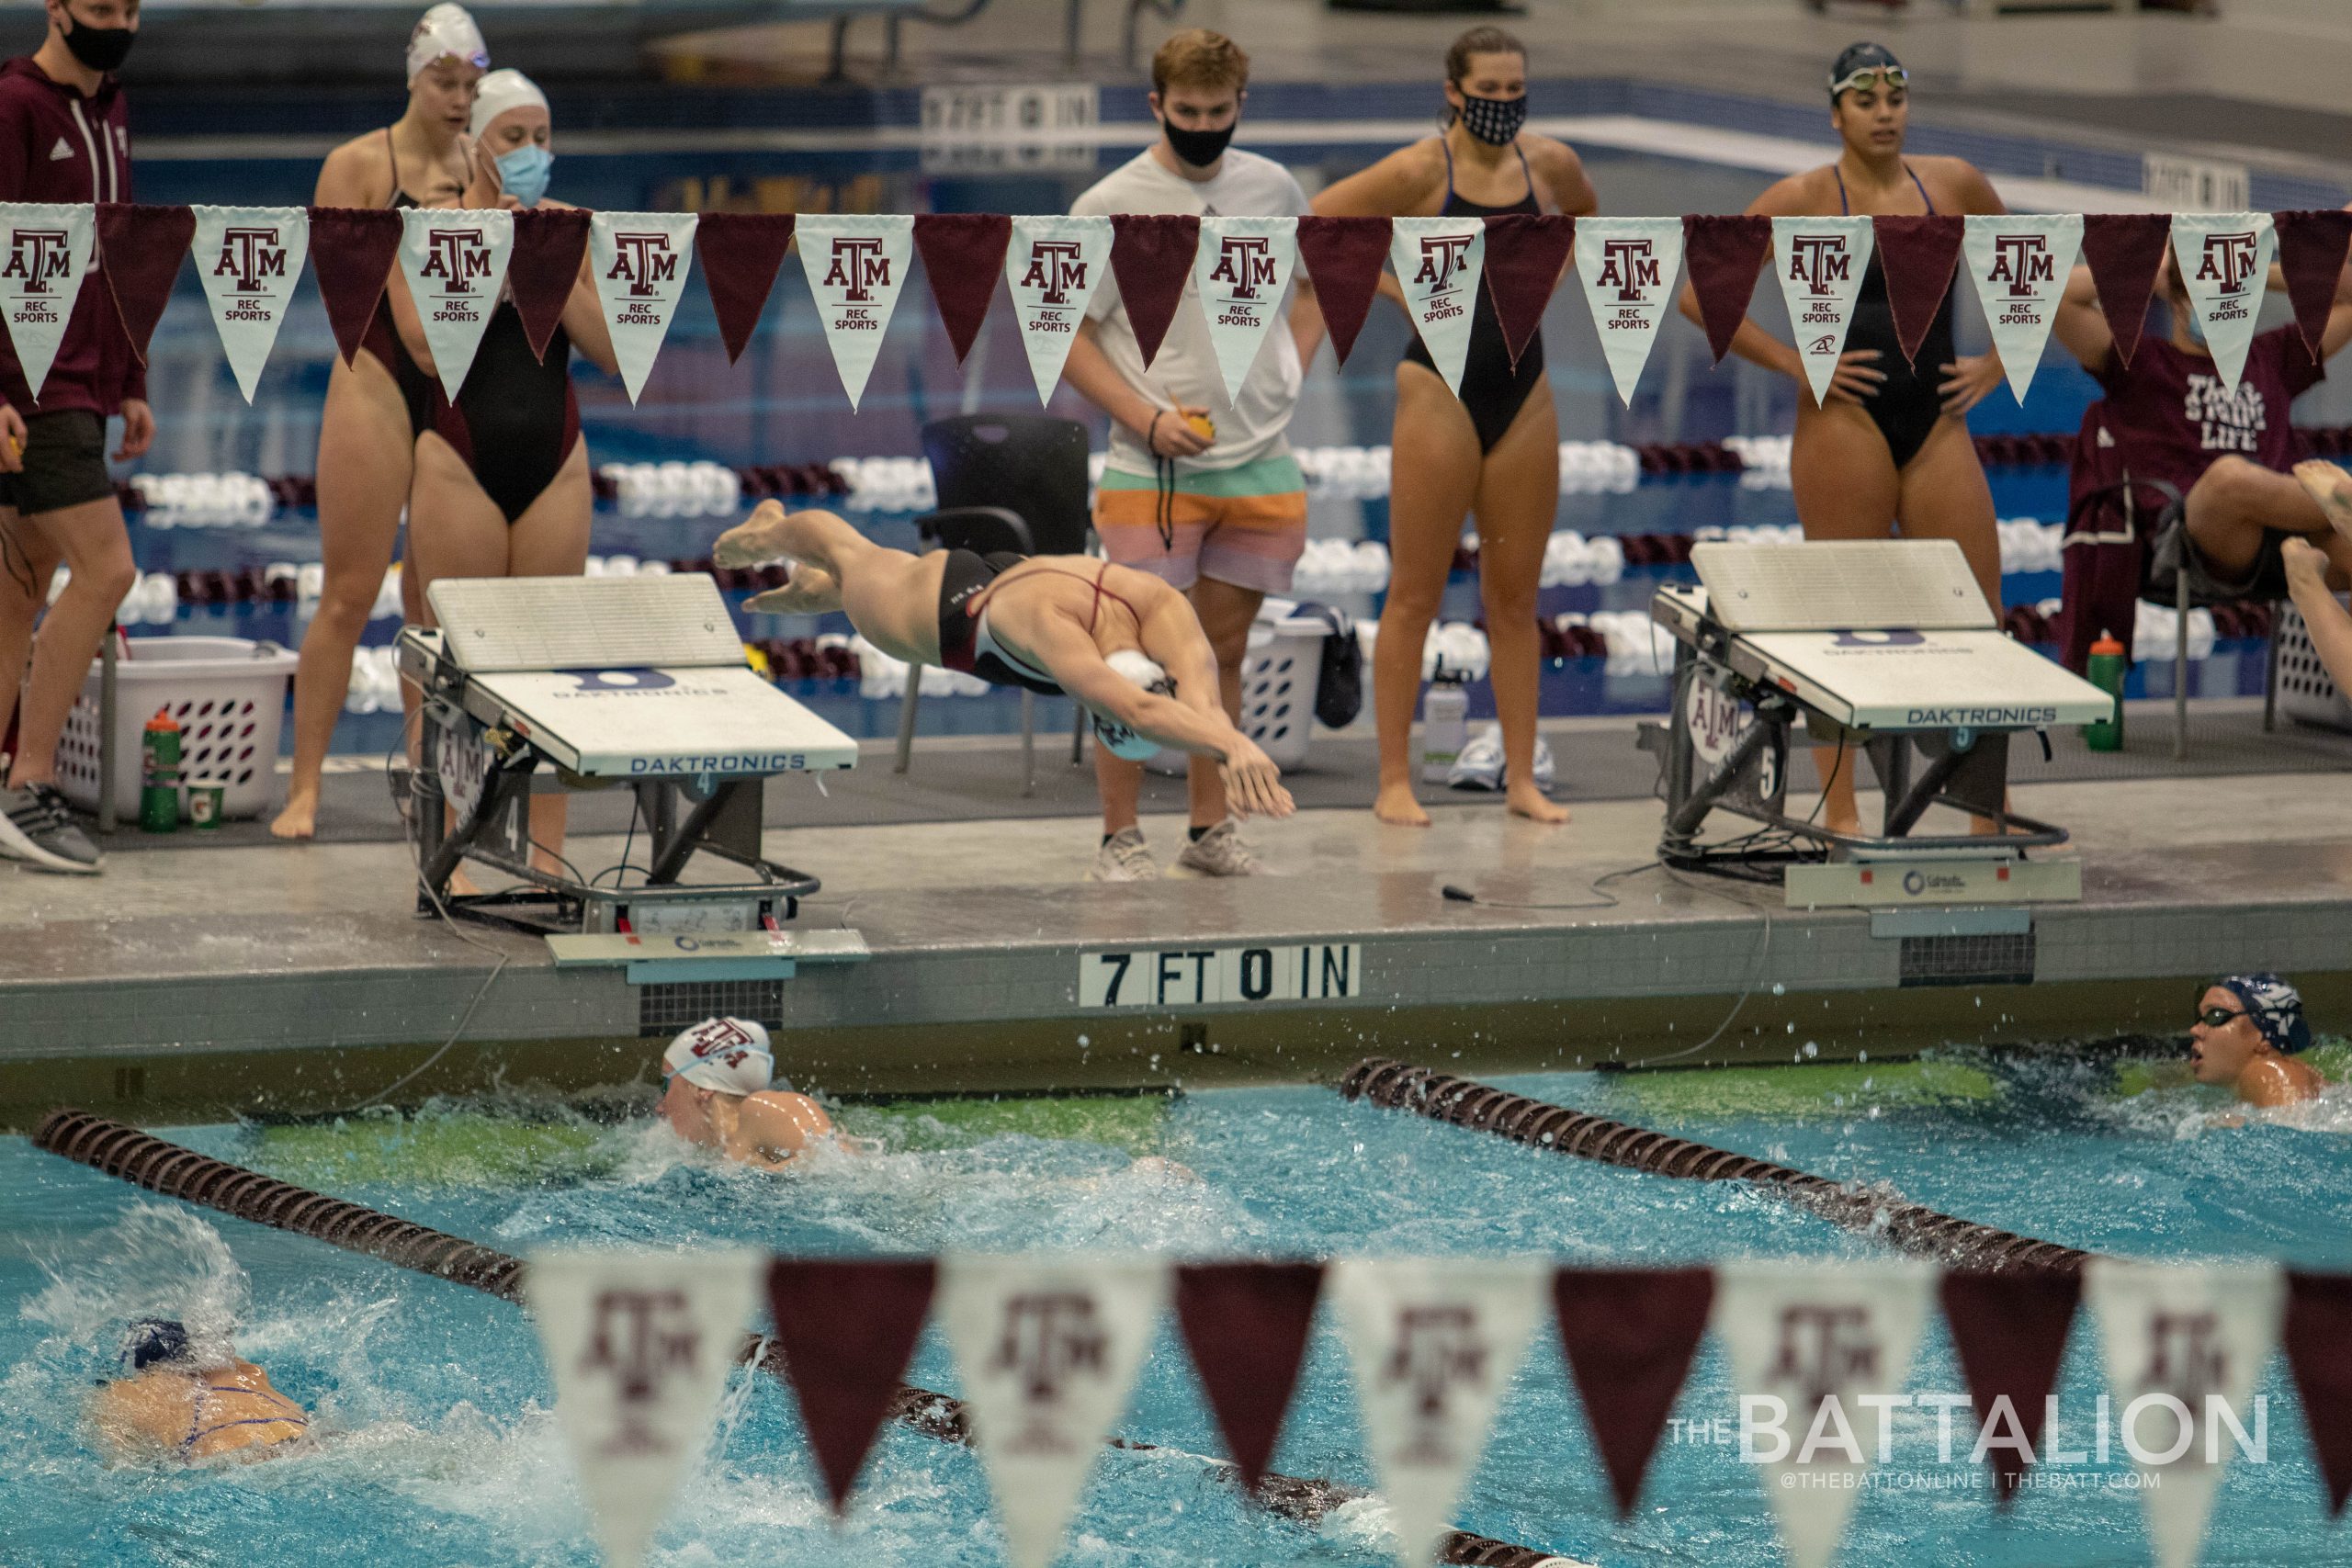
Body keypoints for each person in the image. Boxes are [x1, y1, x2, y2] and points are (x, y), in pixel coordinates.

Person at [1677, 42, 2008, 836]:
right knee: (1841, 625)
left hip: (1937, 419)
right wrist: (1797, 363)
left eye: (1896, 96)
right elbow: (1699, 295)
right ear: (1836, 113)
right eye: (1866, 99)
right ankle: (1845, 813)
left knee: (1981, 615)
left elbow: (2027, 268)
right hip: (1843, 422)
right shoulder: (1801, 198)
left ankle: (1983, 818)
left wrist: (1998, 364)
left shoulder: (1953, 182)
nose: (1885, 112)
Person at [1311, 27, 1596, 829]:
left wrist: (1549, 276)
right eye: (1488, 91)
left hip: (1525, 387)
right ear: (1452, 91)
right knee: (1415, 594)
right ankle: (1394, 779)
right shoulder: (1417, 169)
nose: (1502, 104)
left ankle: (1520, 781)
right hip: (1437, 382)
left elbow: (1587, 218)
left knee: (1514, 600)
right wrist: (1397, 290)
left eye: (1515, 90)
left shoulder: (1552, 164)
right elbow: (1320, 224)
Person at [1060, 28, 1320, 881]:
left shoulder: (1274, 188)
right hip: (1153, 471)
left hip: (1260, 462)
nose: (1203, 126)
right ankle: (1117, 836)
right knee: (1131, 663)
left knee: (1224, 655)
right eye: (1187, 112)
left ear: (1241, 106)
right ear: (1156, 106)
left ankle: (1211, 833)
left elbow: (1318, 287)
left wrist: (1290, 370)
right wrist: (1140, 414)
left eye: (1218, 112)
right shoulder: (1108, 204)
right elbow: (1062, 335)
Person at [713, 502, 1297, 821]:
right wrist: (1234, 747)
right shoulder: (1064, 646)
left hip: (1011, 574)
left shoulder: (1162, 608)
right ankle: (773, 534)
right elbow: (1139, 709)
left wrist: (1227, 743)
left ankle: (824, 589)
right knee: (852, 551)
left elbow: (1203, 703)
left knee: (866, 574)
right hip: (952, 612)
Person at [272, 3, 487, 841]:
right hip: (375, 378)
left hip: (454, 381)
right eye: (444, 80)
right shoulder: (358, 165)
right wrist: (424, 225)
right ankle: (306, 789)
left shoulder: (484, 166)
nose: (460, 98)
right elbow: (342, 299)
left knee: (429, 604)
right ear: (413, 77)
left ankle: (430, 779)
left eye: (471, 84)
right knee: (351, 593)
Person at [401, 68, 616, 881]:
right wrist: (498, 252)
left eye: (541, 137)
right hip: (458, 457)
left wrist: (548, 269)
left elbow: (612, 352)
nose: (532, 153)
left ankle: (550, 853)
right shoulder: (427, 227)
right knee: (460, 666)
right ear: (476, 145)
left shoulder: (568, 230)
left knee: (550, 668)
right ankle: (451, 850)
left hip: (555, 461)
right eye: (514, 138)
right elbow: (423, 344)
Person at [0, 0, 150, 874]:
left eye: (130, 9)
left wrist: (130, 378)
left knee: (19, 593)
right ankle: (30, 784)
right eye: (100, 8)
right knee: (108, 570)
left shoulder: (112, 108)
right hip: (34, 382)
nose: (117, 22)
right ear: (55, 7)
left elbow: (122, 250)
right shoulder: (15, 105)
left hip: (86, 381)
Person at [2049, 249, 2352, 642]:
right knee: (2230, 476)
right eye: (2204, 296)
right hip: (2201, 541)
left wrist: (2254, 273)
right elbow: (2056, 297)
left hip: (2291, 536)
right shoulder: (2141, 364)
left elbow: (2347, 297)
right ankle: (2341, 498)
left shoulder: (2273, 358)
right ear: (2176, 298)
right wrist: (2153, 268)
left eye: (2228, 298)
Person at [87, 1318, 310, 1463]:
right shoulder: (246, 1371)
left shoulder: (126, 1392)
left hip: (239, 1460)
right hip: (310, 1441)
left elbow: (120, 1466)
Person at [657, 1017, 860, 1171]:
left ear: (702, 1089)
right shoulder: (727, 1150)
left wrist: (767, 1178)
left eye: (666, 1085)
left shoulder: (760, 1108)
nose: (660, 1106)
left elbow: (838, 1160)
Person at [2189, 976, 2325, 1107]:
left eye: (2216, 1015)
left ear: (2264, 1036)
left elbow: (2292, 1127)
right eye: (2199, 1018)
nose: (2195, 1030)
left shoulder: (2265, 1070)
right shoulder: (2296, 1072)